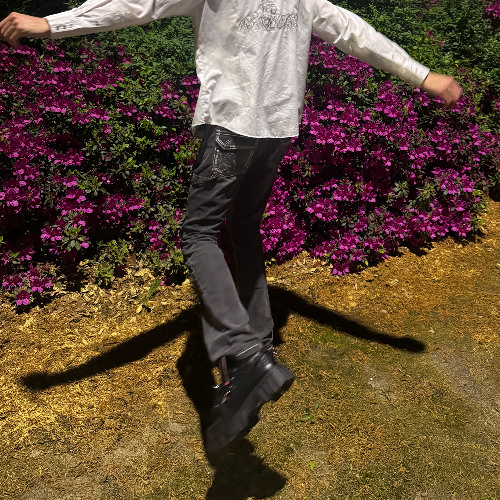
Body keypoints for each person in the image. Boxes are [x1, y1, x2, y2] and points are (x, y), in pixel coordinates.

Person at [0, 0, 461, 457]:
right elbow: (354, 32)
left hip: (231, 127)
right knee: (243, 227)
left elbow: (139, 4)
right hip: (277, 129)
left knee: (199, 234)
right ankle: (257, 348)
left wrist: (50, 23)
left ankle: (244, 352)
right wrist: (423, 76)